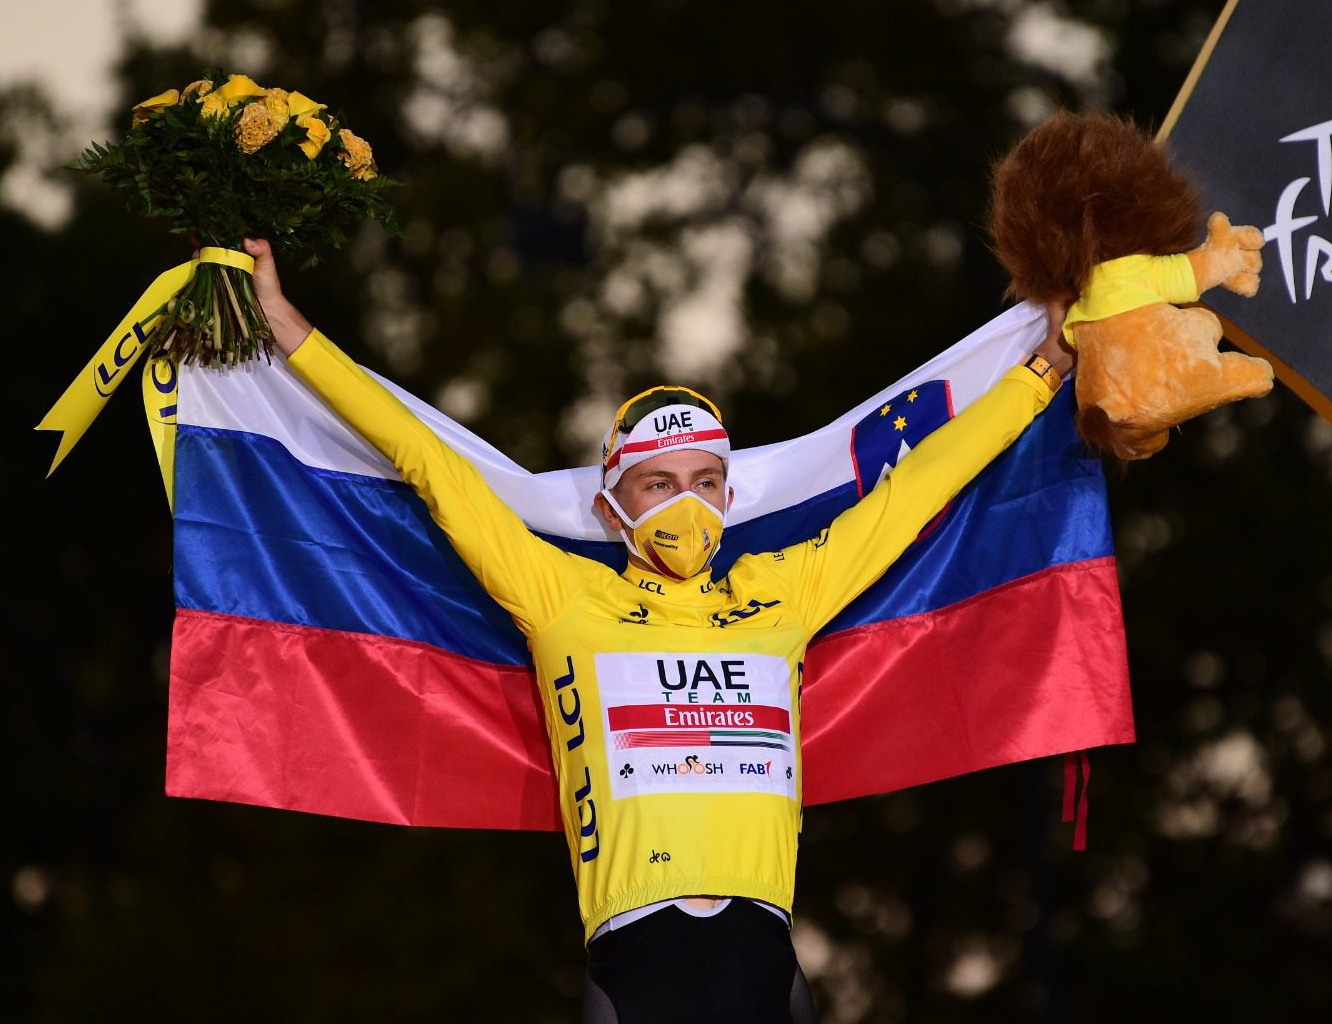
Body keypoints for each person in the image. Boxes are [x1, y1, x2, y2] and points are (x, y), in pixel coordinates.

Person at [240, 235, 1073, 1023]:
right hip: (635, 962)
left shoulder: (783, 590)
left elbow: (917, 485)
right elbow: (428, 461)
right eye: (657, 484)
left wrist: (1044, 369)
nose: (686, 501)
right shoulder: (564, 596)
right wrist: (287, 327)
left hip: (766, 958)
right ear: (610, 509)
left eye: (706, 479)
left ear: (729, 497)